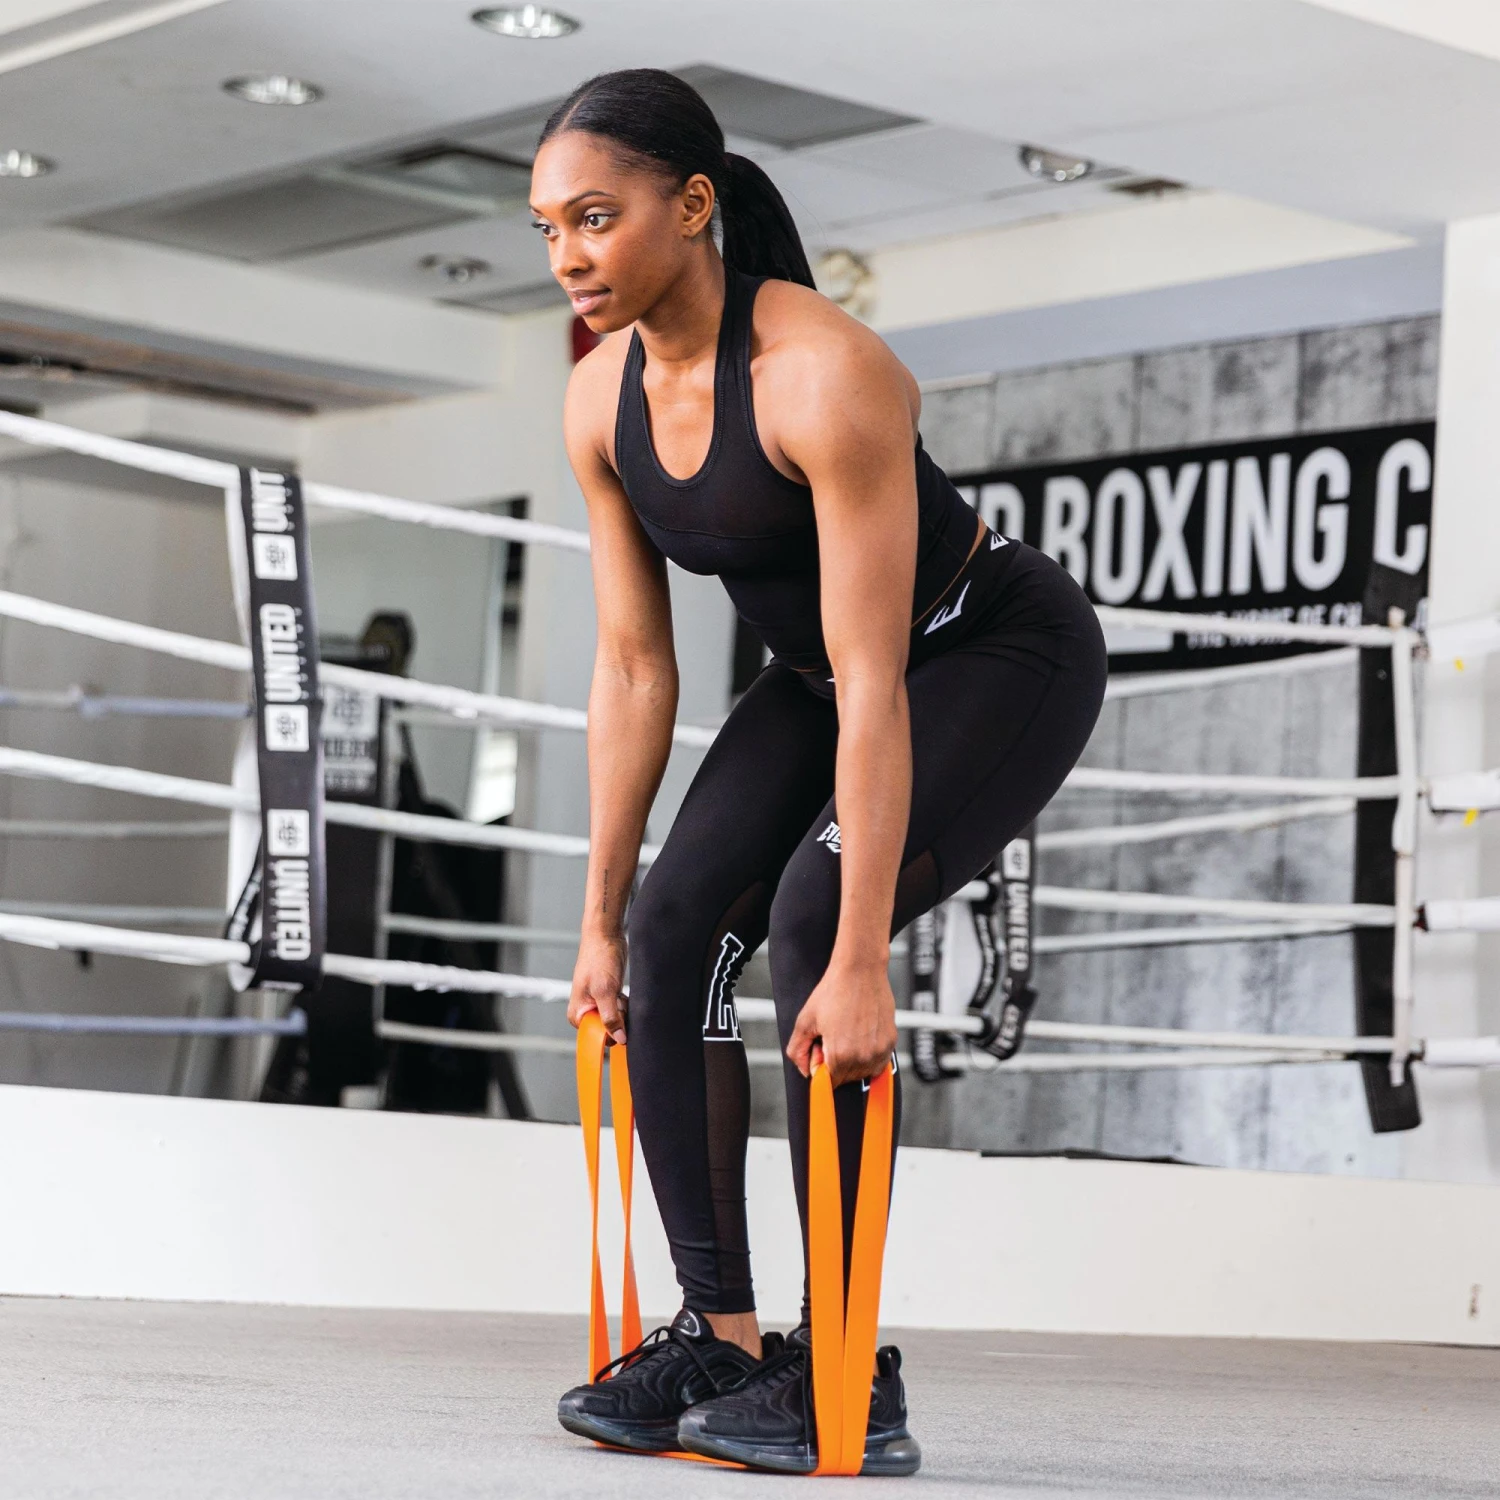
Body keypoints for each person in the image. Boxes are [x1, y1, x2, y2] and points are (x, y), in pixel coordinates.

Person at [530, 69, 1107, 1476]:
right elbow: (634, 670)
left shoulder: (823, 371)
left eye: (596, 217)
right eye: (548, 228)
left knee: (804, 921)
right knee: (674, 929)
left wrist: (857, 960)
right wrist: (601, 919)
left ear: (693, 204)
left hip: (989, 654)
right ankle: (721, 1337)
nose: (569, 256)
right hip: (820, 680)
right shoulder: (599, 395)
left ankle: (845, 1368)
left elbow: (876, 676)